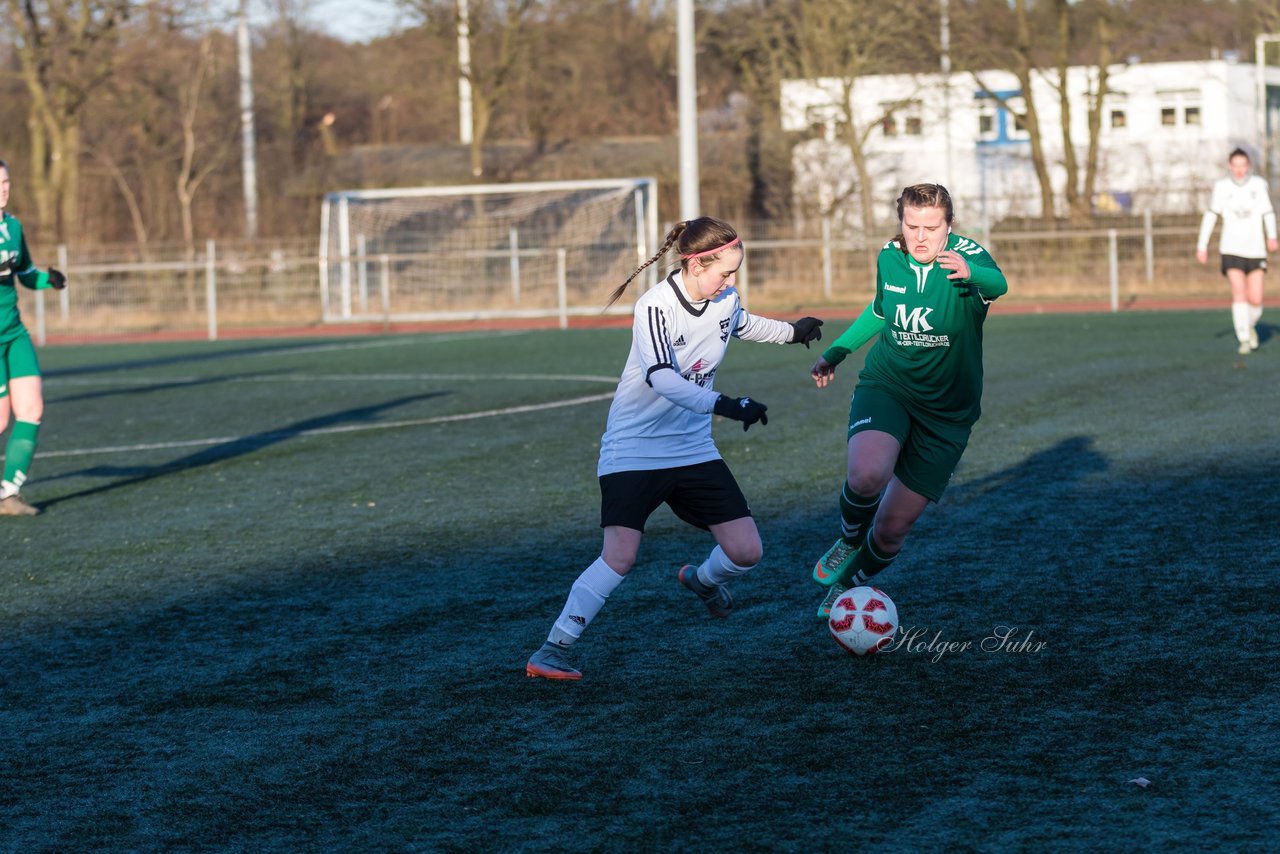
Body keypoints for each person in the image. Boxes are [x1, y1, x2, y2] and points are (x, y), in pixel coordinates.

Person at [525, 216, 824, 680]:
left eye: (735, 272)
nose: (732, 281)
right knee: (620, 556)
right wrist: (725, 404)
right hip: (634, 450)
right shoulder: (655, 306)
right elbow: (662, 378)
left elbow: (739, 323)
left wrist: (791, 332)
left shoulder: (725, 297)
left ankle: (702, 581)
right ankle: (553, 649)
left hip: (692, 449)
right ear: (697, 263)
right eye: (725, 272)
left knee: (746, 551)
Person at [808, 183, 1007, 617]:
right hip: (890, 385)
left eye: (931, 228)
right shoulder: (889, 256)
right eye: (911, 225)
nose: (920, 237)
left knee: (892, 530)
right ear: (901, 222)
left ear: (949, 226)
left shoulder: (967, 260)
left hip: (947, 413)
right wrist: (837, 351)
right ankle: (846, 539)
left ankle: (845, 585)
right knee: (866, 476)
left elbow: (1000, 283)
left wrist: (973, 274)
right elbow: (880, 310)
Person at [0, 159, 67, 516]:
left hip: (13, 332)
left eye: (7, 182)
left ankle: (8, 493)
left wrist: (49, 280)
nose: (4, 189)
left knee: (32, 409)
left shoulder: (13, 227)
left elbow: (24, 273)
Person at [1196, 147, 1277, 355]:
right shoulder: (1222, 187)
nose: (1239, 169)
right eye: (1236, 165)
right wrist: (1202, 245)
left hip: (1256, 250)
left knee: (1256, 299)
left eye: (1243, 165)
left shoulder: (1259, 185)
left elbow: (1268, 212)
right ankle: (1243, 338)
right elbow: (1212, 214)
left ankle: (1248, 325)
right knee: (1239, 292)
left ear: (1248, 166)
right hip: (1231, 249)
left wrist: (1272, 236)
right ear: (1229, 166)